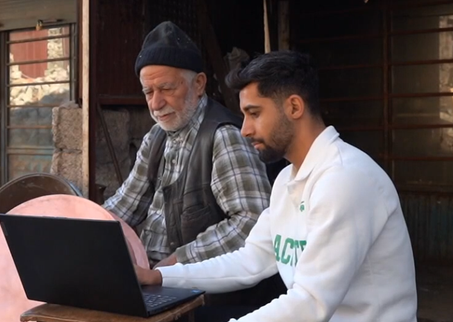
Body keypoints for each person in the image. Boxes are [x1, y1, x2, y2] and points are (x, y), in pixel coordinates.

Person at [135, 50, 418, 322]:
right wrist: (161, 277)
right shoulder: (287, 179)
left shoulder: (345, 179)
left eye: (254, 113)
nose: (244, 129)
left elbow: (310, 303)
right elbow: (251, 260)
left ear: (294, 107)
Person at [103, 21, 285, 312]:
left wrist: (175, 264)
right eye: (148, 92)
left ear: (199, 84)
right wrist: (87, 228)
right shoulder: (157, 136)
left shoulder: (224, 136)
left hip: (204, 298)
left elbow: (251, 221)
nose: (156, 102)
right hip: (155, 283)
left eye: (166, 88)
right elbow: (126, 204)